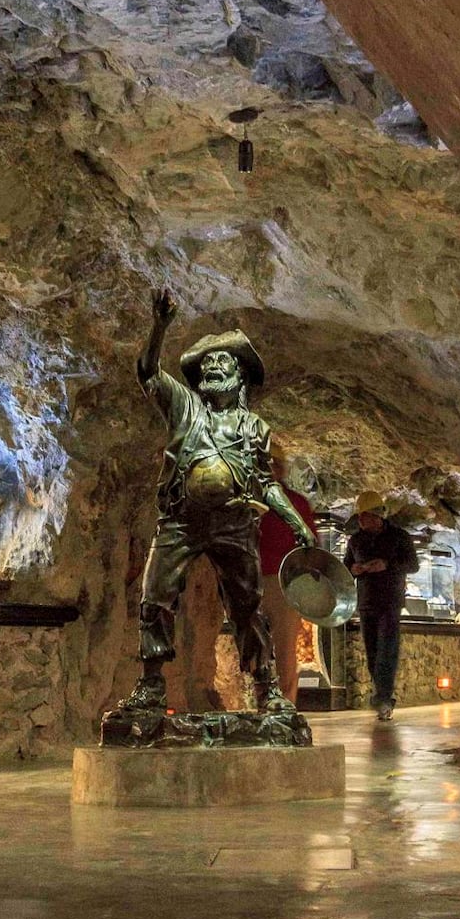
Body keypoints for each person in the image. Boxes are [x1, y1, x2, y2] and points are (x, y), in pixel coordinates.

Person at [127, 288, 312, 713]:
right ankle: (152, 684)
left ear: (239, 376)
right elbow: (148, 374)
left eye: (221, 362)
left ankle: (265, 688)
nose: (212, 367)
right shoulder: (185, 408)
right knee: (155, 596)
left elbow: (266, 484)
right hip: (181, 520)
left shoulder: (254, 427)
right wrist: (159, 327)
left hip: (233, 523)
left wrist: (296, 525)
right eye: (206, 364)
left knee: (247, 605)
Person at [343, 490, 419, 721]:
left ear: (377, 516)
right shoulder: (356, 540)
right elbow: (345, 567)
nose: (361, 521)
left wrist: (386, 565)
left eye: (364, 516)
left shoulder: (399, 537)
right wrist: (353, 570)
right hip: (366, 603)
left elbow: (412, 564)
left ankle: (384, 698)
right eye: (359, 517)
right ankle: (381, 696)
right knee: (373, 651)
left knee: (388, 649)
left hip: (390, 602)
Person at [257, 439, 317, 702]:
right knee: (255, 646)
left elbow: (310, 547)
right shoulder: (247, 503)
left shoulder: (296, 503)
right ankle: (262, 698)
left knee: (283, 647)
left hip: (283, 583)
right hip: (252, 582)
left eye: (273, 465)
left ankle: (285, 703)